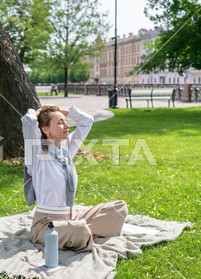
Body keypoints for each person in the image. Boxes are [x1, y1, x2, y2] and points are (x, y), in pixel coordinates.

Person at [21, 104, 129, 252]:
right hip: (45, 224)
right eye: (60, 123)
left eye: (65, 121)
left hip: (71, 217)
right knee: (80, 230)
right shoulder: (36, 154)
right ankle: (78, 233)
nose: (67, 126)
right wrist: (41, 112)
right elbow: (28, 121)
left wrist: (59, 112)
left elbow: (87, 121)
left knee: (119, 208)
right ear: (45, 129)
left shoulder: (66, 151)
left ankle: (74, 232)